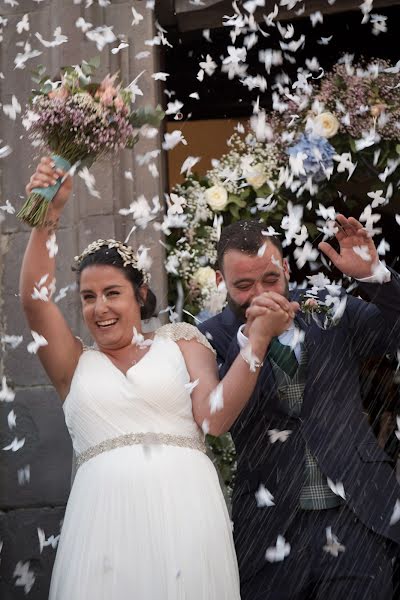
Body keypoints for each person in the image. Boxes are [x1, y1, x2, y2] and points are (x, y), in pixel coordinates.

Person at [19, 158, 299, 600]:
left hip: (184, 514)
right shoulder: (72, 363)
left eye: (113, 293)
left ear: (140, 295)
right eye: (89, 297)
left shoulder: (181, 343)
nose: (100, 307)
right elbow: (35, 303)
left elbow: (215, 419)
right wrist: (47, 215)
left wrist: (257, 342)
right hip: (101, 523)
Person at [199, 218, 400, 600]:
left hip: (355, 519)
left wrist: (376, 276)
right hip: (268, 528)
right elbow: (218, 419)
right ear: (219, 282)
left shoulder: (330, 307)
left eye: (271, 279)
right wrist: (252, 340)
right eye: (243, 285)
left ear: (287, 268)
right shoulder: (210, 338)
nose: (261, 294)